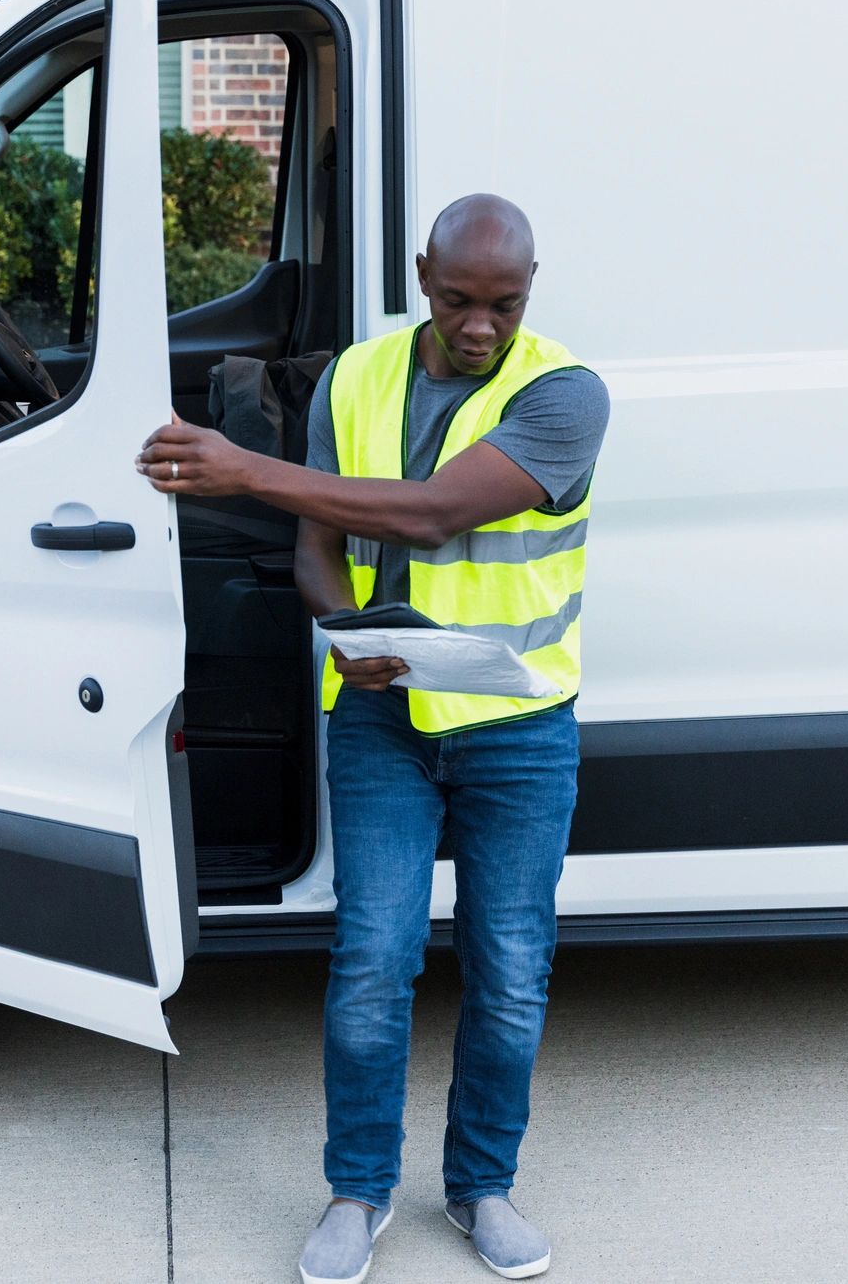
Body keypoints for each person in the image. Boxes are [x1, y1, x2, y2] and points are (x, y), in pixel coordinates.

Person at [135, 194, 608, 1283]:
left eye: (504, 303)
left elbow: (433, 512)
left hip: (518, 726)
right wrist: (347, 633)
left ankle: (482, 1188)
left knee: (508, 972)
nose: (479, 325)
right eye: (458, 299)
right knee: (370, 964)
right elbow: (320, 547)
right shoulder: (355, 377)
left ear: (531, 290)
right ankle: (357, 1191)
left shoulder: (564, 393)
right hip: (383, 722)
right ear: (420, 274)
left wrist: (241, 469)